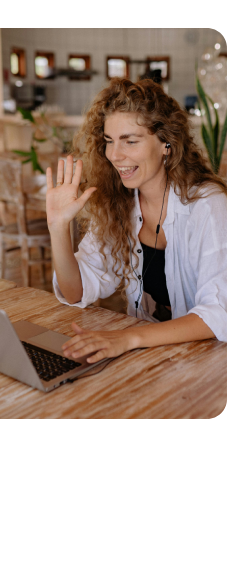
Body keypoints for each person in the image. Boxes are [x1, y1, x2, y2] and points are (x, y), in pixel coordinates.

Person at [44, 77, 226, 363]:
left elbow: (220, 312)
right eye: (109, 142)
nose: (115, 155)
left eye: (130, 141)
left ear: (167, 143)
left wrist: (129, 339)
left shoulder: (208, 205)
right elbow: (75, 290)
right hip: (152, 358)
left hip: (208, 362)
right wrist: (57, 228)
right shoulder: (119, 203)